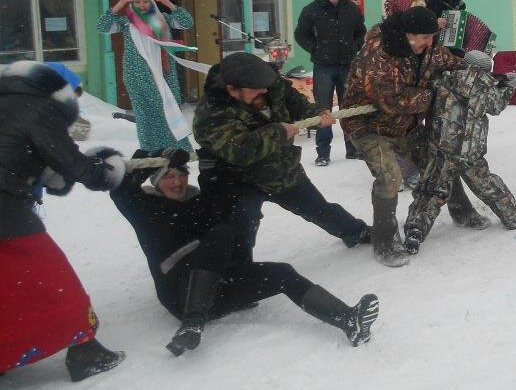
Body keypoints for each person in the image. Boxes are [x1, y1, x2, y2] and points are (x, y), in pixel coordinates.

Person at [110, 148, 378, 355]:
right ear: (156, 181)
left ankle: (348, 320)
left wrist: (207, 165)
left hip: (218, 287)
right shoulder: (144, 207)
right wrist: (144, 161)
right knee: (221, 232)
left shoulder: (198, 202)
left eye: (182, 174)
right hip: (179, 293)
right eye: (169, 176)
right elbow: (120, 191)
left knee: (282, 272)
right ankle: (193, 322)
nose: (178, 181)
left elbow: (219, 192)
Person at [0, 61, 127, 381]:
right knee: (51, 276)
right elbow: (74, 165)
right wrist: (108, 169)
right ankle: (84, 349)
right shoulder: (41, 108)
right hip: (5, 209)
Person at [192, 52, 369, 259]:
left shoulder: (268, 84)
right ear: (232, 89)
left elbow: (295, 102)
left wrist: (316, 113)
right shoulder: (211, 114)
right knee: (240, 230)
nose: (264, 91)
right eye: (256, 91)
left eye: (266, 86)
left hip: (281, 170)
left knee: (319, 209)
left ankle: (356, 232)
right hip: (238, 181)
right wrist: (279, 132)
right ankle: (236, 273)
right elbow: (240, 151)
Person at [342, 6, 464, 267]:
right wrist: (434, 97)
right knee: (389, 176)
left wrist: (477, 73)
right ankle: (384, 242)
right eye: (425, 37)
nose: (430, 43)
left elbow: (450, 62)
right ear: (408, 34)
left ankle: (462, 211)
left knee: (440, 163)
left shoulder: (426, 47)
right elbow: (391, 98)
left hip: (403, 124)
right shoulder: (377, 52)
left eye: (432, 37)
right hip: (368, 125)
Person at [404, 50, 516, 253]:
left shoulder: (441, 80)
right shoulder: (486, 89)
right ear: (486, 70)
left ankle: (416, 230)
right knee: (488, 185)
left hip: (440, 149)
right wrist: (509, 84)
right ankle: (512, 217)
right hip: (470, 154)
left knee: (431, 192)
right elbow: (497, 105)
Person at [97, 0, 195, 151]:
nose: (142, 5)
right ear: (132, 3)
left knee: (169, 109)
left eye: (145, 1)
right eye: (138, 2)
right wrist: (119, 5)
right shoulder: (127, 22)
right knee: (146, 114)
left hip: (164, 73)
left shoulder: (162, 19)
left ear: (151, 2)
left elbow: (186, 23)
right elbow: (102, 27)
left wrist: (167, 2)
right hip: (137, 74)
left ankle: (177, 148)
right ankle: (152, 149)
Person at [294, 0, 367, 165]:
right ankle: (323, 153)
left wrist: (355, 47)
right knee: (323, 109)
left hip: (348, 64)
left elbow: (361, 32)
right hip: (323, 66)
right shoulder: (311, 11)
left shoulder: (351, 9)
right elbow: (300, 34)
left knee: (349, 107)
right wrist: (315, 48)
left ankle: (352, 148)